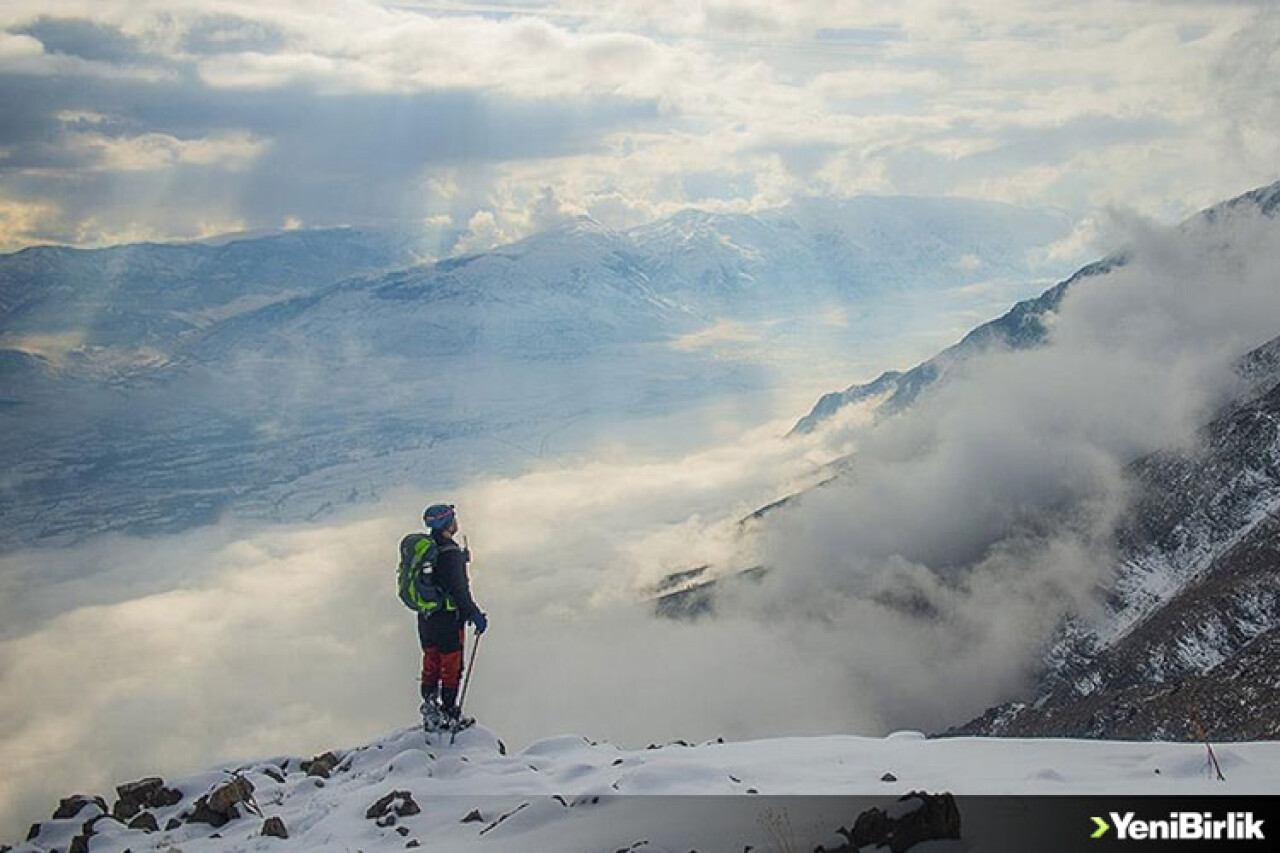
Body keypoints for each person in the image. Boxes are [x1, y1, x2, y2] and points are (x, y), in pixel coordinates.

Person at [417, 503, 488, 731]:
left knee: (431, 661)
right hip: (448, 620)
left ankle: (430, 707)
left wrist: (460, 560)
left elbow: (439, 578)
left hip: (426, 618)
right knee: (451, 666)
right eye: (453, 518)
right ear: (447, 523)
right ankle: (449, 713)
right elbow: (459, 589)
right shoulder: (449, 552)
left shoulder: (427, 549)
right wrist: (474, 614)